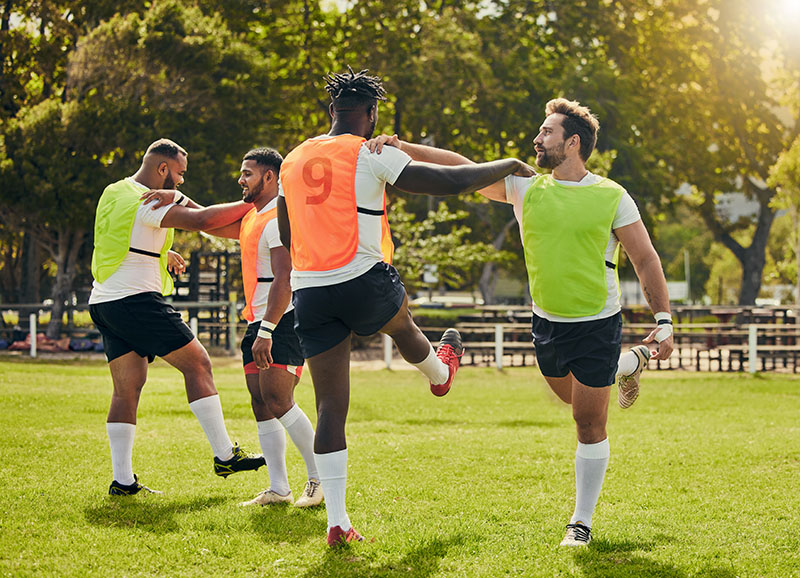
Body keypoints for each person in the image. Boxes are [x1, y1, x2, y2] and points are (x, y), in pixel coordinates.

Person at [367, 98, 674, 547]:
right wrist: (403, 146)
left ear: (572, 143)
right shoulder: (526, 188)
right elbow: (462, 167)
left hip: (597, 322)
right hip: (547, 323)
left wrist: (664, 319)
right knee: (575, 398)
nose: (537, 138)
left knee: (588, 423)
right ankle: (629, 363)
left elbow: (645, 259)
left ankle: (581, 522)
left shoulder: (612, 195)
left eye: (546, 132)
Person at [276, 67, 534, 547]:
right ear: (371, 115)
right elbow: (446, 181)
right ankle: (440, 373)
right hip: (363, 277)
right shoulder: (369, 153)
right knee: (401, 320)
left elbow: (287, 233)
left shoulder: (292, 160)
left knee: (330, 405)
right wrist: (508, 163)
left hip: (310, 289)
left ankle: (337, 522)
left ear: (330, 111)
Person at [144, 148, 323, 508]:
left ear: (269, 177)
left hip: (281, 321)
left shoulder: (278, 220)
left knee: (279, 399)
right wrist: (177, 197)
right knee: (261, 403)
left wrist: (268, 330)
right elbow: (204, 221)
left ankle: (319, 480)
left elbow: (284, 279)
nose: (241, 180)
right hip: (256, 320)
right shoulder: (253, 218)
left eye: (247, 174)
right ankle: (278, 488)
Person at [89, 138, 265, 496]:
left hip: (105, 300)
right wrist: (256, 202)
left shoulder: (115, 191)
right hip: (134, 301)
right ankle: (224, 455)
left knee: (127, 390)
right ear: (163, 169)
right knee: (198, 364)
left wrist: (161, 255)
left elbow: (117, 237)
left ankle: (122, 482)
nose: (181, 183)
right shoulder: (149, 199)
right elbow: (201, 220)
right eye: (180, 175)